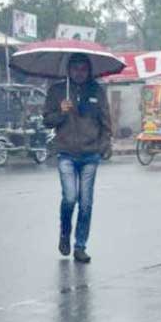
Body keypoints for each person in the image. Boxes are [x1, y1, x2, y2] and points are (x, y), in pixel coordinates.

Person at [43, 53, 112, 264]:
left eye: (83, 69)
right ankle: (65, 233)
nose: (79, 73)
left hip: (90, 154)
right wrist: (61, 112)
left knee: (86, 203)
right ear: (69, 70)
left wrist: (103, 145)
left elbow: (105, 122)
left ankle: (80, 246)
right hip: (66, 153)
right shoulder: (57, 91)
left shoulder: (97, 91)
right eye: (75, 69)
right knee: (70, 198)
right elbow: (47, 121)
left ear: (89, 71)